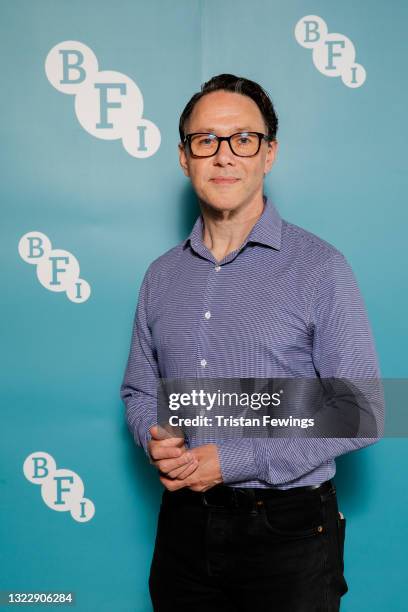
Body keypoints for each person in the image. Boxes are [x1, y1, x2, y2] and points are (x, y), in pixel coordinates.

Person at [120, 74, 382, 611]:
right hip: (183, 530)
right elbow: (138, 391)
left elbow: (362, 409)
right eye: (205, 140)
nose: (224, 156)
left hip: (288, 535)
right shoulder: (160, 276)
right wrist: (154, 437)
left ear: (269, 154)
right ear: (184, 158)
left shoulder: (320, 267)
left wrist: (239, 458)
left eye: (243, 139)